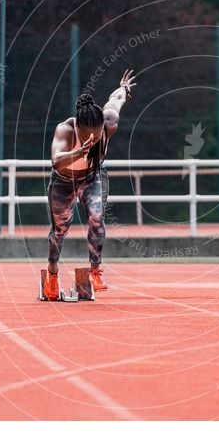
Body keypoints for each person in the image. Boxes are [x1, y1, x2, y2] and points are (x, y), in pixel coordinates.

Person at [43, 69, 137, 300]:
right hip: (64, 181)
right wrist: (77, 151)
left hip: (93, 177)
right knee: (60, 230)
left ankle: (95, 270)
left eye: (96, 135)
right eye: (88, 135)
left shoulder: (108, 122)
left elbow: (115, 101)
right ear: (78, 127)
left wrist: (123, 88)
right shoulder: (65, 129)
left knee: (96, 218)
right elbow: (55, 160)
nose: (93, 140)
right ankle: (52, 274)